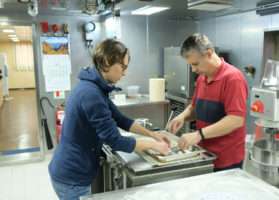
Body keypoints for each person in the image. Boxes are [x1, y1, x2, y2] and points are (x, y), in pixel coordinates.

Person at [49, 39, 171, 200]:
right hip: (73, 178)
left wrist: (152, 135)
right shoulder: (91, 93)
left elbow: (120, 119)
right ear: (107, 61)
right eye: (122, 67)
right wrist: (154, 145)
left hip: (71, 171)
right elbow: (116, 141)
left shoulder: (96, 88)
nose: (125, 73)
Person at [167, 33, 248, 172]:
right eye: (190, 65)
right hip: (205, 155)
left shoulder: (233, 78)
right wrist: (182, 117)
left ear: (209, 54)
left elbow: (235, 120)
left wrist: (198, 135)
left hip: (226, 160)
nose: (193, 70)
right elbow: (194, 107)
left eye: (195, 64)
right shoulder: (202, 79)